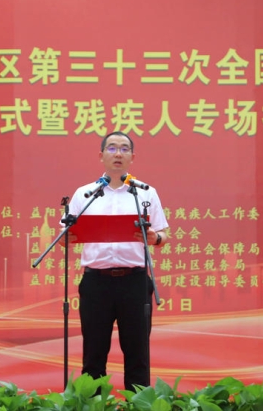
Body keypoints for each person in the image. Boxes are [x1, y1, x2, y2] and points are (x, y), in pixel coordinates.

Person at [64, 131, 169, 391]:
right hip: (95, 283)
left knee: (137, 354)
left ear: (133, 156)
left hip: (134, 282)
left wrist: (155, 238)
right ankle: (93, 405)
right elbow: (65, 235)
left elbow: (163, 234)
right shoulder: (84, 194)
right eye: (112, 148)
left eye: (124, 148)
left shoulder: (145, 193)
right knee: (93, 354)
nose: (118, 153)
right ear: (101, 156)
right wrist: (68, 236)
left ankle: (138, 405)